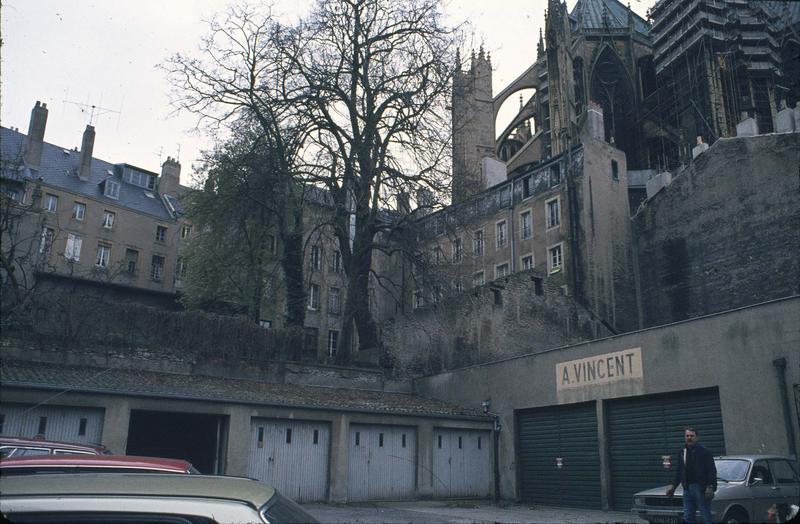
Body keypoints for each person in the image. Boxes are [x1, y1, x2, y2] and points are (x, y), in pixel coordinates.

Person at [666, 427, 717, 524]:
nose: (689, 438)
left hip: (700, 488)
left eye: (692, 436)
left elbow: (711, 471)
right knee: (688, 516)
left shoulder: (705, 452)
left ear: (697, 438)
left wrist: (710, 486)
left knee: (706, 516)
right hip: (687, 488)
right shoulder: (682, 452)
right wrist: (673, 486)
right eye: (687, 436)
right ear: (684, 437)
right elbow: (679, 471)